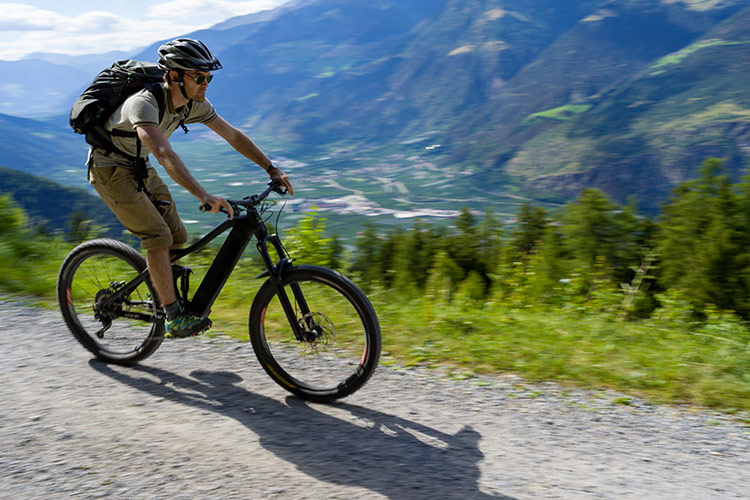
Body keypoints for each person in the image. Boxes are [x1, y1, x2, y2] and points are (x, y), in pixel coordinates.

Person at [88, 38, 293, 338]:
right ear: (174, 76)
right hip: (110, 169)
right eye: (199, 77)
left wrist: (270, 167)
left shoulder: (192, 104)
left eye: (208, 77)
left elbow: (233, 136)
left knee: (177, 237)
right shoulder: (143, 103)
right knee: (157, 235)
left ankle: (162, 297)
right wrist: (204, 196)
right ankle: (172, 316)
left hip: (138, 166)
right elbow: (164, 153)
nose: (206, 83)